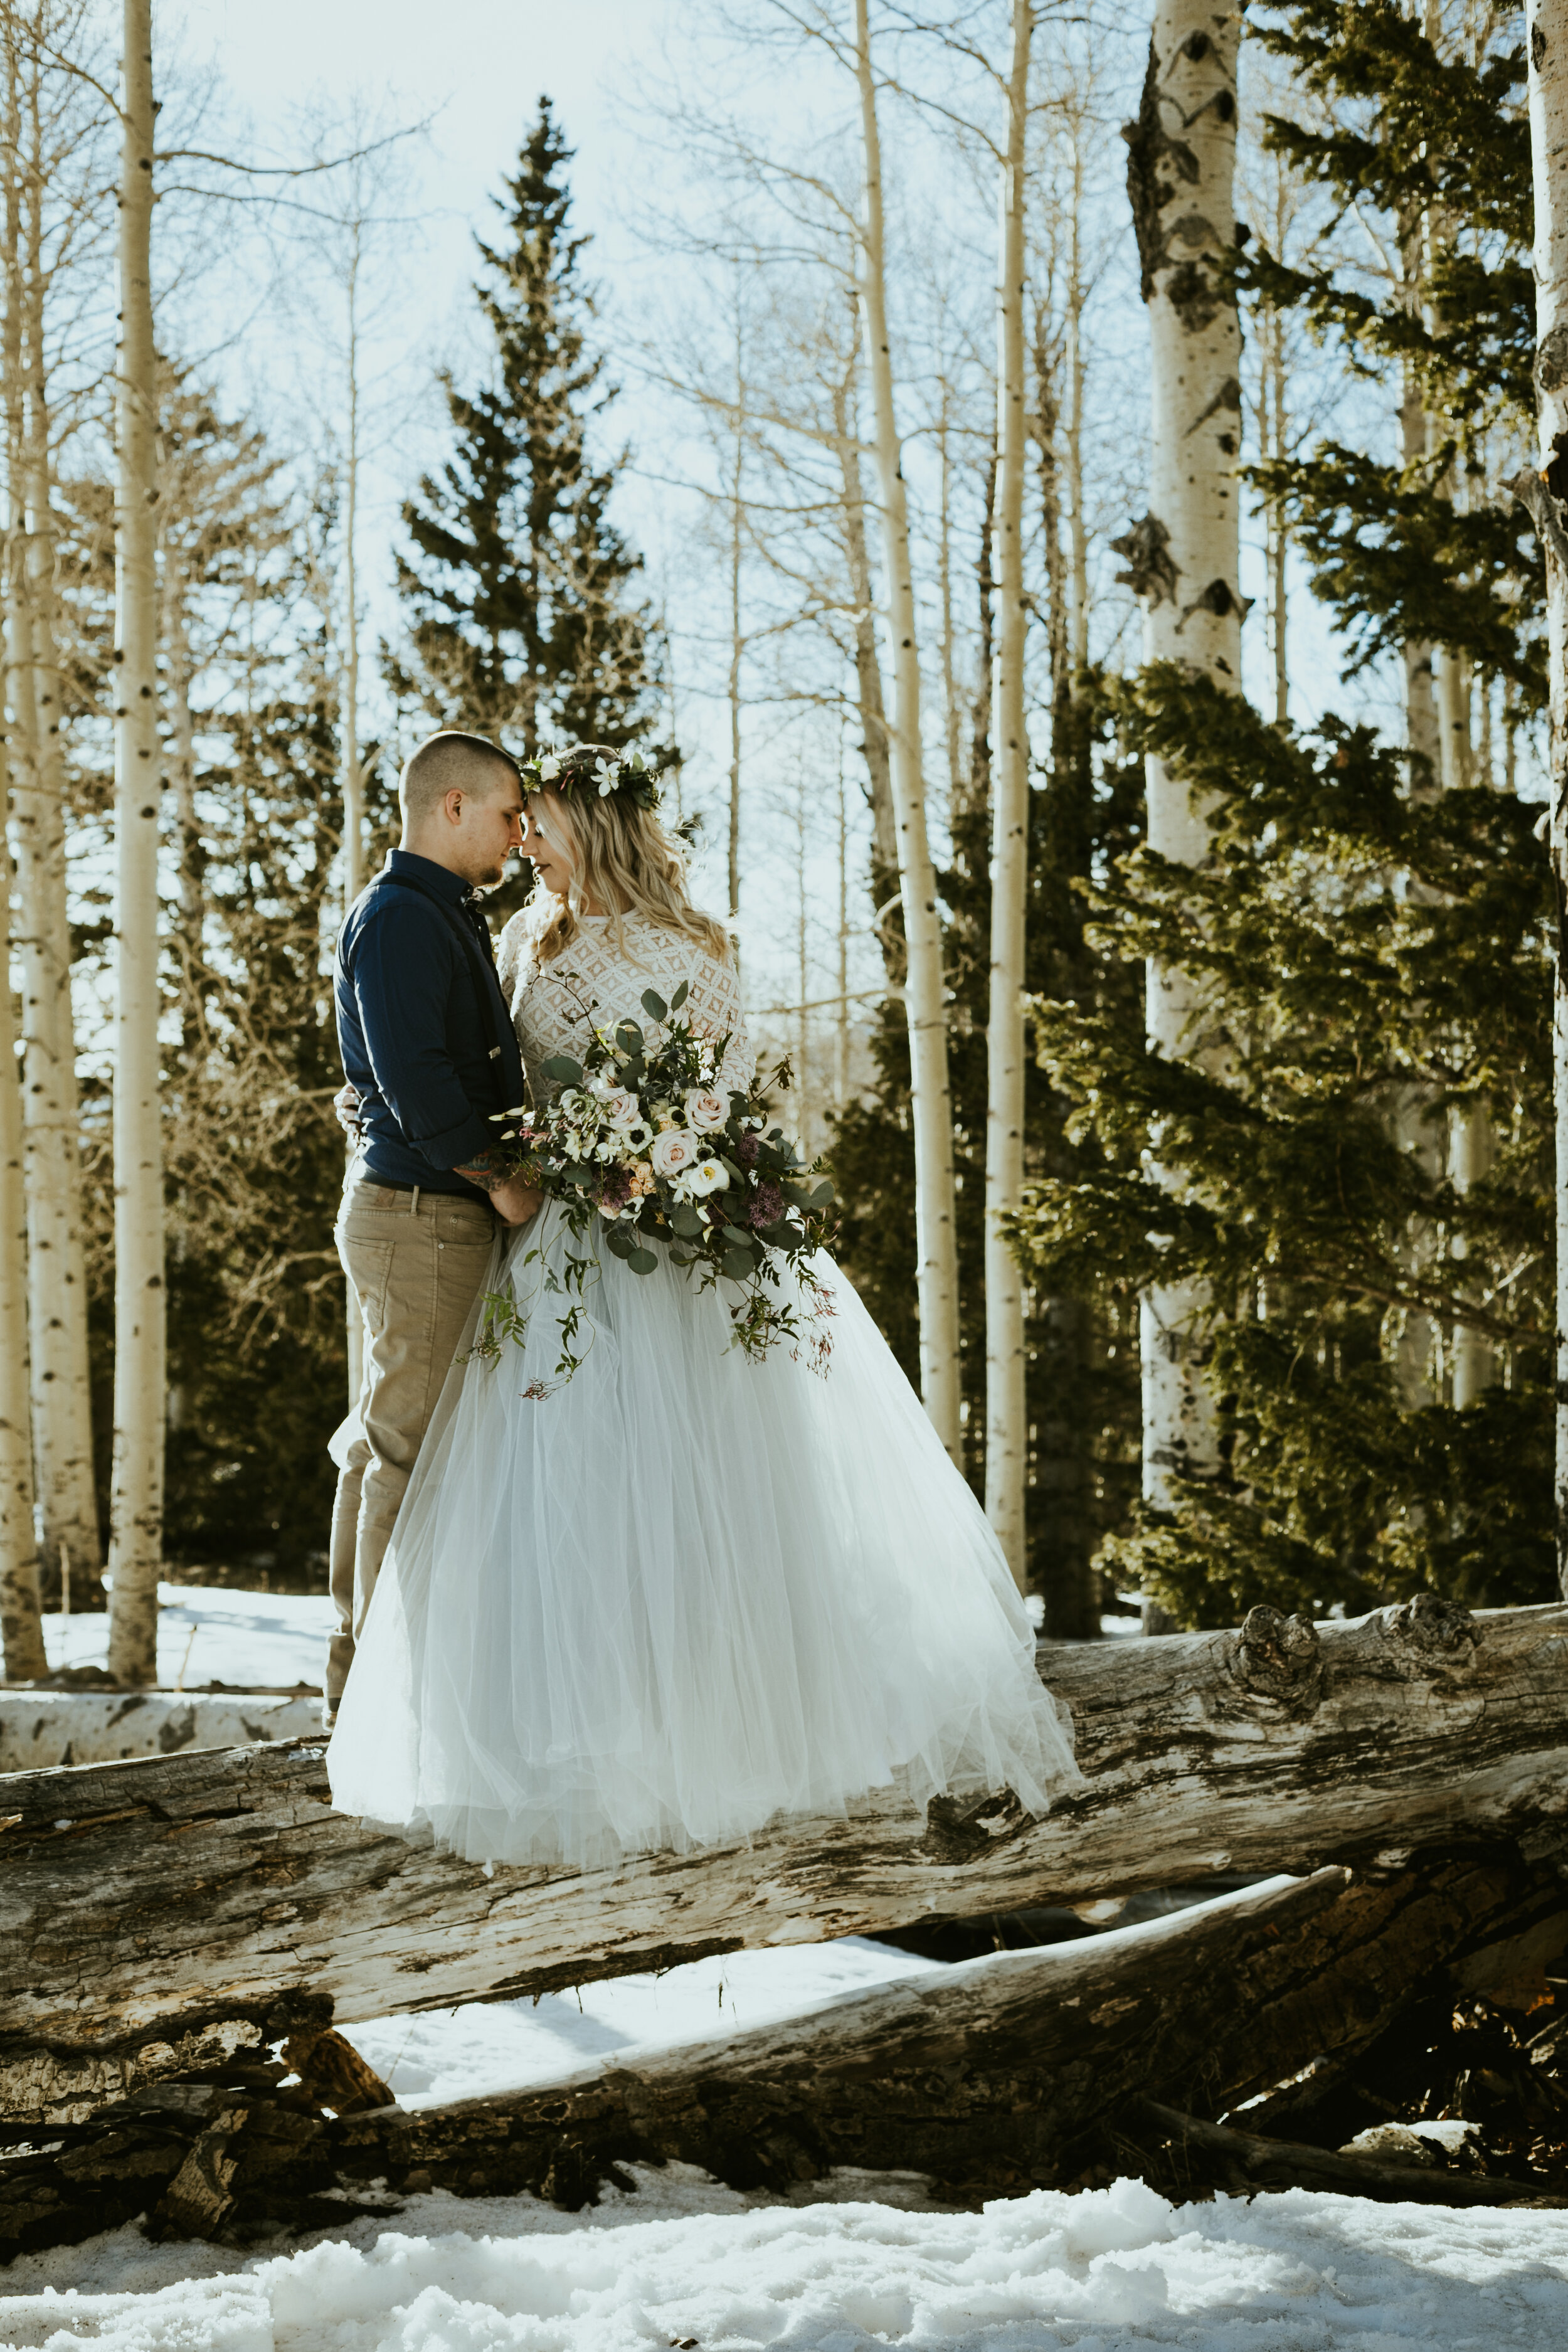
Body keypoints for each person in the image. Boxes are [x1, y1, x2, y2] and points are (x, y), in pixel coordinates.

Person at [326, 744, 1083, 1865]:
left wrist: (635, 1159)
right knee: (617, 1484)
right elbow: (510, 1080)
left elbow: (646, 1090)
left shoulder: (622, 947)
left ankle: (649, 1716)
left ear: (591, 829)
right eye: (515, 821)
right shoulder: (586, 944)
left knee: (648, 1484)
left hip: (623, 1230)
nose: (526, 840)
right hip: (612, 1232)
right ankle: (613, 1712)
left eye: (542, 824)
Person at [326, 729, 537, 1728]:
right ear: (452, 806)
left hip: (416, 1210)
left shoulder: (425, 910)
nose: (516, 832)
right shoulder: (407, 916)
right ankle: (379, 1705)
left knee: (380, 1445)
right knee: (404, 1454)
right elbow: (418, 1082)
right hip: (426, 1217)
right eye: (505, 812)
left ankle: (356, 1682)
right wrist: (501, 1183)